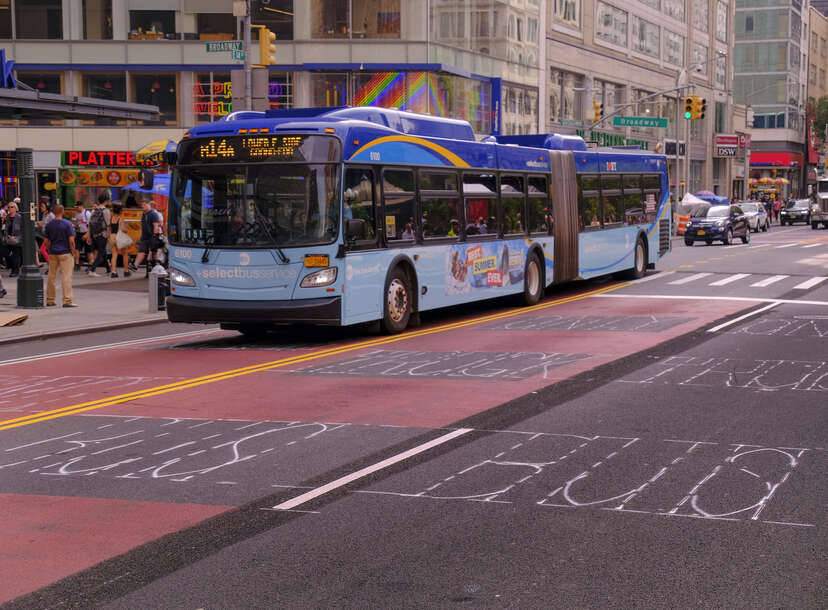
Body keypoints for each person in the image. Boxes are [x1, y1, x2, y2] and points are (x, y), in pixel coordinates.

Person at [43, 204, 78, 307]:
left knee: (51, 277)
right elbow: (71, 241)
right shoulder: (67, 224)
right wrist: (73, 252)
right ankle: (67, 300)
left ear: (53, 212)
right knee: (66, 277)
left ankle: (50, 299)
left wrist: (50, 250)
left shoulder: (49, 225)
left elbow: (46, 242)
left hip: (53, 253)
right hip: (65, 253)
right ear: (62, 211)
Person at [129, 197, 163, 272]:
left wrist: (155, 236)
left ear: (149, 205)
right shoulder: (144, 214)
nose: (143, 206)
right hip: (144, 237)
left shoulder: (153, 214)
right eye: (142, 205)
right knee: (141, 251)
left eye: (144, 205)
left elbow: (155, 226)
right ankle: (135, 265)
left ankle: (154, 268)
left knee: (153, 254)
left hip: (152, 237)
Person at [85, 191, 112, 276]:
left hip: (94, 235)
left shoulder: (94, 210)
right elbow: (108, 225)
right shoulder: (106, 211)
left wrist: (89, 236)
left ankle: (108, 269)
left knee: (103, 252)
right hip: (102, 234)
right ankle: (91, 269)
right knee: (100, 253)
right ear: (106, 200)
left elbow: (89, 224)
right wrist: (109, 236)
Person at [108, 203, 131, 278]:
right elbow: (122, 229)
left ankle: (114, 272)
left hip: (112, 237)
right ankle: (126, 271)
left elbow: (109, 228)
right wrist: (126, 229)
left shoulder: (111, 218)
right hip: (119, 237)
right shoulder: (120, 218)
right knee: (125, 254)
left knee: (114, 255)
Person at [2, 199, 23, 277]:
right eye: (9, 207)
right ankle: (12, 267)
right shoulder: (7, 217)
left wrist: (21, 238)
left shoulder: (19, 217)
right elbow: (5, 228)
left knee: (16, 255)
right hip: (8, 239)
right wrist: (3, 220)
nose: (10, 208)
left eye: (12, 207)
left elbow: (23, 228)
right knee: (5, 253)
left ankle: (15, 271)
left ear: (15, 208)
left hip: (17, 239)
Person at [73, 202, 91, 270]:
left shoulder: (87, 213)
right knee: (76, 249)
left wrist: (87, 235)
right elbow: (77, 223)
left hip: (86, 233)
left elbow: (90, 225)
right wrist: (75, 226)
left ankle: (90, 265)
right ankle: (77, 264)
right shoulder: (77, 214)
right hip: (79, 233)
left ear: (81, 206)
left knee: (88, 250)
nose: (76, 209)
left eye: (77, 207)